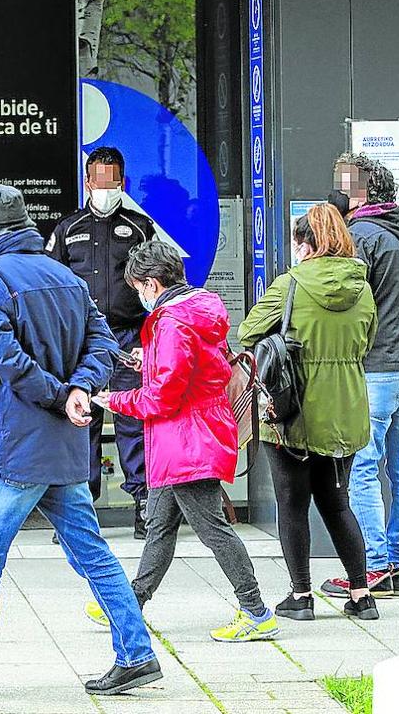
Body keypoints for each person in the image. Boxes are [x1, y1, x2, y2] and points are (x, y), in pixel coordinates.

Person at [0, 185, 160, 700]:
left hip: (11, 444)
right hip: (62, 446)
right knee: (95, 554)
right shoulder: (66, 275)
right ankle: (136, 654)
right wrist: (80, 389)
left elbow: (1, 355)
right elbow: (105, 342)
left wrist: (60, 394)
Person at [85, 241, 277, 642]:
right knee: (159, 525)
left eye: (138, 287)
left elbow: (163, 395)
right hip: (189, 437)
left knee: (213, 530)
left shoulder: (172, 322)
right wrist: (147, 360)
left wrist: (115, 400)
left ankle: (256, 611)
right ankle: (130, 602)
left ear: (152, 284)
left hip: (187, 442)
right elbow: (198, 368)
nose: (138, 295)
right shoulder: (198, 308)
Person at [239, 204, 379, 622]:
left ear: (304, 245)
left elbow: (249, 330)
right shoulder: (363, 287)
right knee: (338, 503)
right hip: (346, 408)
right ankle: (360, 595)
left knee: (292, 504)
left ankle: (301, 596)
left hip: (292, 409)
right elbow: (366, 343)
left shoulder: (291, 284)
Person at [321, 155, 399, 600]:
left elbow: (342, 298)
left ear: (359, 192)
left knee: (363, 468)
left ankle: (376, 565)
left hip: (379, 369)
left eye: (341, 186)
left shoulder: (361, 236)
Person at [47, 147, 156, 536]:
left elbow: (156, 285)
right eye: (98, 181)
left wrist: (151, 339)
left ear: (122, 183)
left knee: (133, 420)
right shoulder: (67, 229)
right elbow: (52, 287)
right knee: (81, 421)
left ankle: (144, 505)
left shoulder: (141, 227)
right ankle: (80, 510)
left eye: (112, 182)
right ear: (87, 182)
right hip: (82, 341)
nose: (104, 188)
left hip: (129, 338)